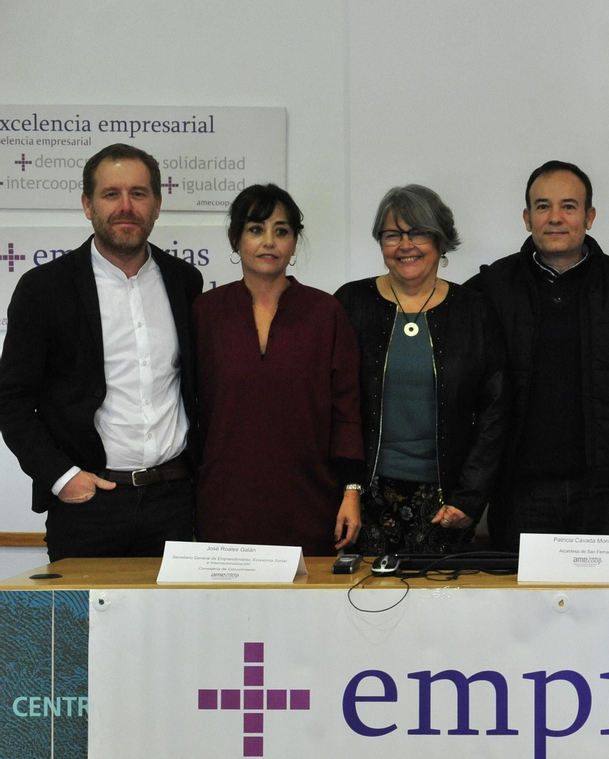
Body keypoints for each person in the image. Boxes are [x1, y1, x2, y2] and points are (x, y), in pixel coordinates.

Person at [0, 144, 201, 560]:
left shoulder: (185, 282)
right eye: (111, 194)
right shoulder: (44, 290)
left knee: (171, 625)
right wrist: (61, 477)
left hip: (175, 503)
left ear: (158, 205)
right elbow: (11, 400)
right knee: (85, 626)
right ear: (87, 205)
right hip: (88, 508)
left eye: (139, 194)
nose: (126, 207)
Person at [466, 160, 609, 545]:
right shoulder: (489, 289)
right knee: (522, 606)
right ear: (527, 218)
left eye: (569, 207)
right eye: (543, 207)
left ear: (589, 217)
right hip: (519, 494)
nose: (555, 218)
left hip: (606, 494)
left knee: (605, 605)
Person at [336, 185, 509, 554]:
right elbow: (336, 406)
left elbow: (496, 410)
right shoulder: (351, 304)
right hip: (363, 498)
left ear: (440, 240)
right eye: (392, 234)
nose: (405, 245)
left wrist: (470, 498)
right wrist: (347, 488)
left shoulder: (474, 310)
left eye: (418, 232)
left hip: (447, 502)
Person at [193, 184, 362, 555]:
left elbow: (347, 411)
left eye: (281, 231)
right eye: (256, 229)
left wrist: (351, 492)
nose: (269, 241)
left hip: (310, 505)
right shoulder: (205, 313)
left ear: (294, 242)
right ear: (236, 239)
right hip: (224, 505)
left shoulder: (326, 313)